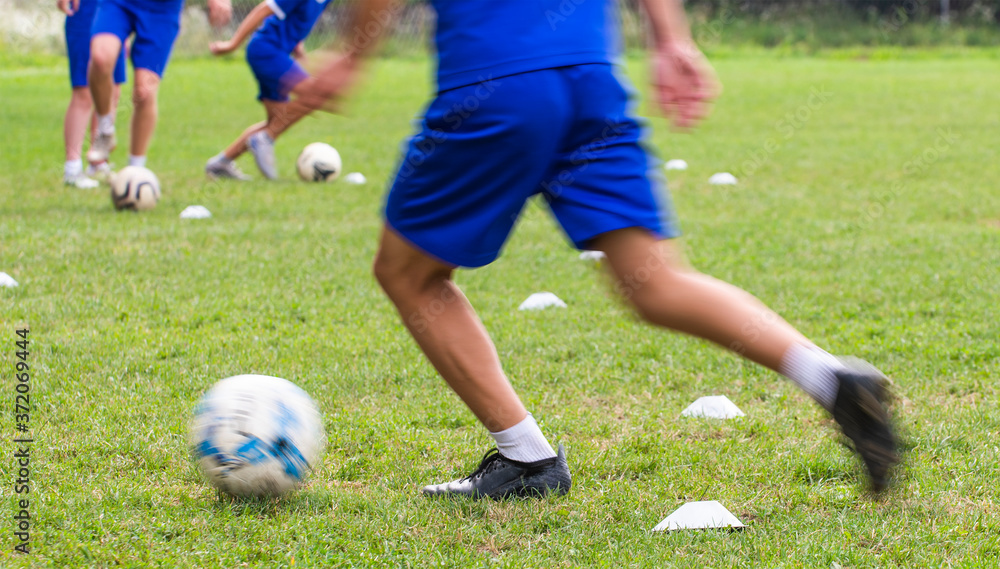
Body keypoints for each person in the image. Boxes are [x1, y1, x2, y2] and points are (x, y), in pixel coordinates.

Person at [296, 0, 900, 498]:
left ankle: (527, 460)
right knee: (656, 282)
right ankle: (832, 378)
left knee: (408, 273)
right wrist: (671, 40)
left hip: (495, 80)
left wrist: (351, 55)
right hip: (591, 77)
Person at [86, 0, 233, 168]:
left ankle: (136, 170)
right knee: (100, 58)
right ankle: (105, 130)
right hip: (118, 3)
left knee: (144, 92)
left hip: (161, 11)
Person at [205, 0, 333, 180]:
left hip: (274, 52)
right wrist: (233, 44)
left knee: (276, 121)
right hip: (267, 52)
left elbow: (299, 18)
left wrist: (297, 46)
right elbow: (264, 9)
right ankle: (265, 138)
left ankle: (220, 164)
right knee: (316, 96)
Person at [57, 0, 126, 188]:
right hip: (85, 11)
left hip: (116, 10)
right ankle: (72, 168)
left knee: (112, 88)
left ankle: (98, 162)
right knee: (84, 91)